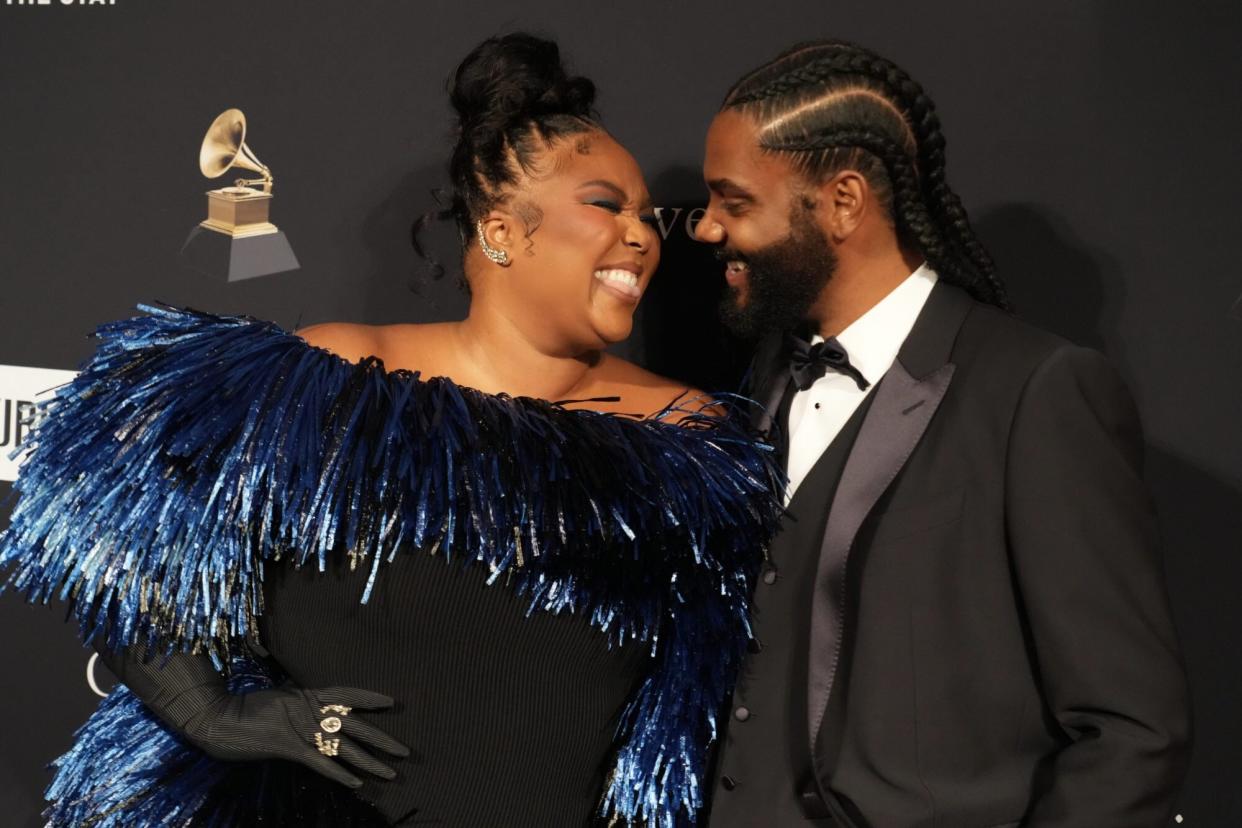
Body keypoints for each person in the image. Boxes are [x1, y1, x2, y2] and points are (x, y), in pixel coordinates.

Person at [0, 33, 781, 827]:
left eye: (648, 215)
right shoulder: (335, 379)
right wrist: (215, 715)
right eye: (605, 205)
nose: (643, 235)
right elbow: (124, 518)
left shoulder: (688, 439)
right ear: (504, 230)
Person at [694, 40, 1192, 827]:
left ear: (844, 202)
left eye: (736, 202)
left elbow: (1130, 732)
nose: (705, 229)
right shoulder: (767, 378)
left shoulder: (1037, 391)